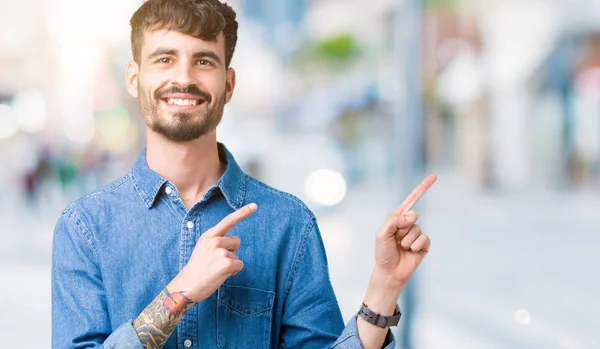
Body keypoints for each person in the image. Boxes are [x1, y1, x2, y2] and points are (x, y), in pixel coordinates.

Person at [51, 0, 436, 348]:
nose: (183, 78)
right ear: (134, 78)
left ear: (229, 83)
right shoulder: (85, 229)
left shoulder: (288, 225)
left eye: (203, 61)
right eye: (164, 59)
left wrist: (385, 286)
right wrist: (180, 293)